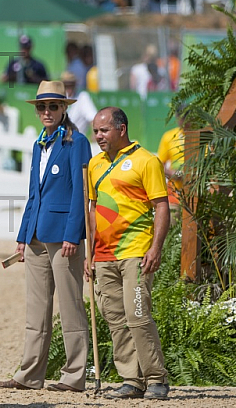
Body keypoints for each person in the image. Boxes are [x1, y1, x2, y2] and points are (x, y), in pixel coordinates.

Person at [0, 80, 91, 393]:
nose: (47, 111)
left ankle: (74, 375)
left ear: (64, 108)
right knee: (36, 309)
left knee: (71, 305)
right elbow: (33, 194)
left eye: (53, 106)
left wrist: (74, 235)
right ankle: (29, 374)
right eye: (42, 106)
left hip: (64, 237)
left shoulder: (77, 143)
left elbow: (81, 192)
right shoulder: (39, 144)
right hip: (36, 236)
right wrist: (23, 235)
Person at [86, 107, 170, 400]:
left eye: (104, 130)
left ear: (121, 129)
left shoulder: (147, 161)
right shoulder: (94, 164)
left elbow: (162, 206)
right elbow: (94, 210)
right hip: (104, 256)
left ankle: (157, 378)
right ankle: (131, 380)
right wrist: (90, 254)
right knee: (115, 319)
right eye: (96, 130)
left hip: (136, 252)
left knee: (137, 315)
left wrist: (155, 248)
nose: (98, 136)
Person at [156, 111, 184, 210]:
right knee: (172, 219)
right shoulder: (169, 136)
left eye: (188, 116)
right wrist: (173, 173)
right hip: (174, 192)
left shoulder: (201, 136)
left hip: (196, 191)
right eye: (181, 117)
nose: (185, 120)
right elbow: (159, 165)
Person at [61, 71, 96, 136]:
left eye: (71, 84)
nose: (69, 87)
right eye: (66, 85)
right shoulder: (60, 98)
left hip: (77, 139)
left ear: (75, 84)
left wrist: (94, 134)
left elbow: (92, 118)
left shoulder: (83, 97)